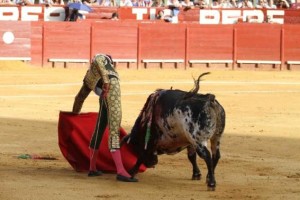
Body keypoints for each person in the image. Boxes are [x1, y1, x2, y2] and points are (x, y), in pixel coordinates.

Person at [72, 54, 138, 182]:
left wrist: (74, 114)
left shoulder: (88, 78)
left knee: (99, 129)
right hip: (112, 91)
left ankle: (92, 168)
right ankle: (120, 171)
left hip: (104, 96)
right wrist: (107, 82)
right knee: (114, 128)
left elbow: (79, 98)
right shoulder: (102, 59)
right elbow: (98, 59)